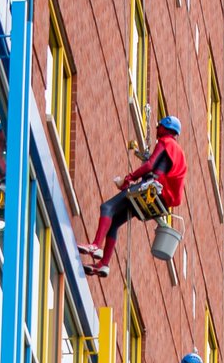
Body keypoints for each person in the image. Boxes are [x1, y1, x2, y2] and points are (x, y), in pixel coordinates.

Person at [78, 116, 188, 278]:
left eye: (159, 126)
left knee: (107, 207)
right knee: (114, 222)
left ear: (166, 128)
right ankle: (104, 264)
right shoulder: (179, 152)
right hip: (161, 198)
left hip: (151, 189)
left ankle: (95, 245)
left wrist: (129, 178)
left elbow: (150, 165)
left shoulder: (165, 143)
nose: (157, 129)